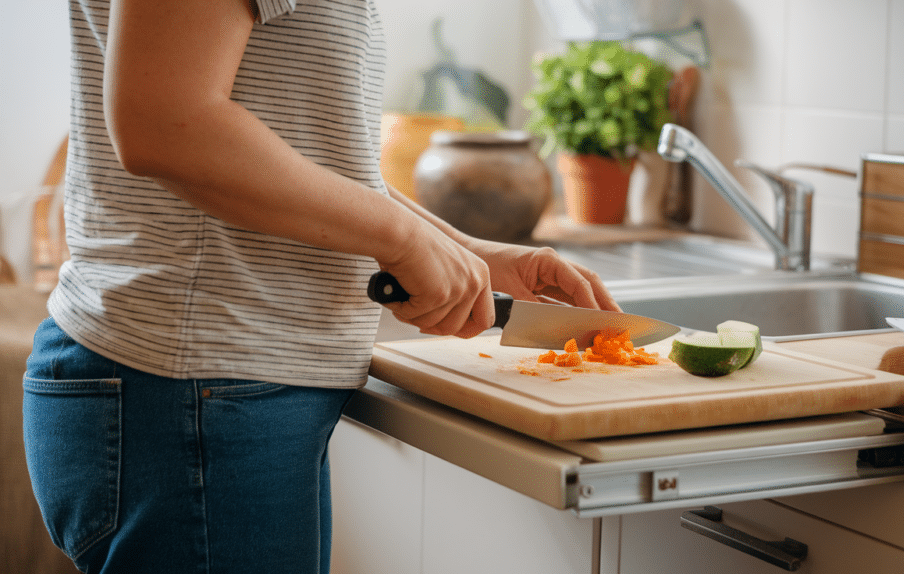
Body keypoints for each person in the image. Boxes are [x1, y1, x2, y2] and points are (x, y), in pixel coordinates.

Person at [22, 1, 621, 573]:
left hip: (213, 395)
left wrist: (472, 256)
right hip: (195, 389)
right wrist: (406, 243)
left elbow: (306, 161)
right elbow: (167, 126)